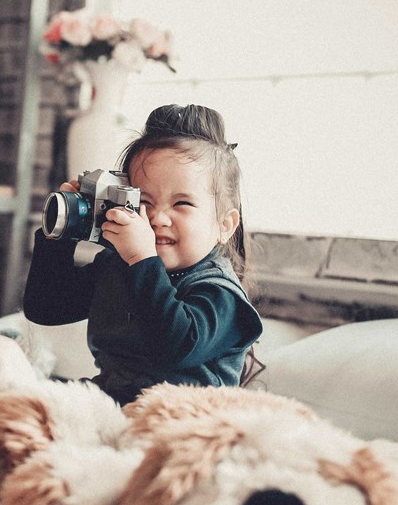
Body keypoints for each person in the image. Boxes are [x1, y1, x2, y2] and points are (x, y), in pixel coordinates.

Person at [23, 103, 263, 405]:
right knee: (24, 406)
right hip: (115, 402)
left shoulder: (220, 294)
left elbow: (174, 346)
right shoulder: (120, 267)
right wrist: (60, 235)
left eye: (182, 204)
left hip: (185, 418)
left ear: (224, 225)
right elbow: (45, 307)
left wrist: (142, 260)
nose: (158, 218)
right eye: (144, 202)